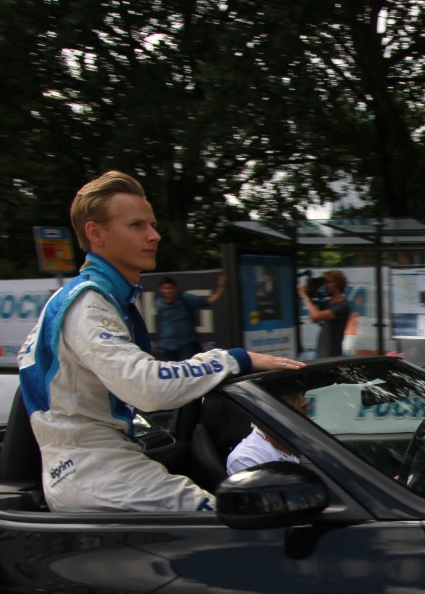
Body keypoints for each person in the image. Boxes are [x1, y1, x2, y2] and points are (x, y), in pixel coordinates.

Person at [17, 171, 304, 513]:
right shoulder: (88, 304)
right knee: (233, 525)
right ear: (95, 233)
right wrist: (234, 359)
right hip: (94, 473)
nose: (154, 235)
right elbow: (146, 388)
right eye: (136, 225)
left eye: (152, 225)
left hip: (95, 467)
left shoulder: (92, 298)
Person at [226, 385, 309, 475]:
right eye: (293, 397)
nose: (304, 403)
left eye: (302, 394)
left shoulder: (301, 442)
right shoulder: (245, 458)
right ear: (269, 408)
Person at [154, 274, 224, 361]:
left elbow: (209, 301)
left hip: (187, 344)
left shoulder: (186, 298)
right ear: (160, 290)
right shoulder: (158, 304)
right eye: (165, 288)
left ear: (175, 288)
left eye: (170, 288)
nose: (168, 291)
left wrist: (221, 287)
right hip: (168, 345)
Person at [297, 269, 351, 358]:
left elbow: (316, 316)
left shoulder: (343, 305)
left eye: (328, 282)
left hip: (331, 354)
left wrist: (305, 296)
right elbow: (313, 318)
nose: (325, 285)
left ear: (337, 284)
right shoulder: (328, 303)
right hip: (322, 352)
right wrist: (309, 293)